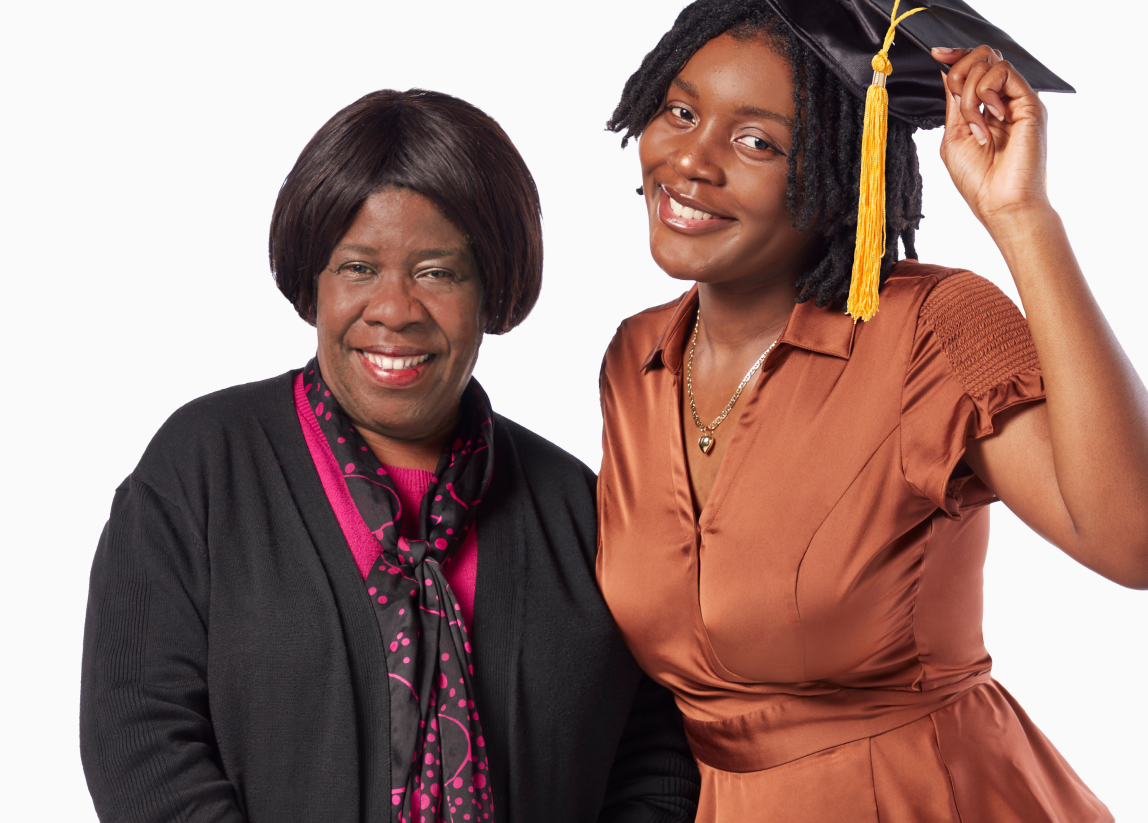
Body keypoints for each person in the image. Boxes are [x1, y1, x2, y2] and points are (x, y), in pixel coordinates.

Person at [594, 0, 1148, 822]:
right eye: (680, 111)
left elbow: (1142, 548)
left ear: (843, 173)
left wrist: (1020, 220)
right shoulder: (637, 358)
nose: (692, 161)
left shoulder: (928, 332)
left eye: (758, 141)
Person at [80, 89, 700, 823]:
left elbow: (656, 752)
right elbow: (142, 738)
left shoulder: (578, 509)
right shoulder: (202, 468)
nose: (395, 309)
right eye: (358, 268)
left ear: (492, 288)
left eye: (437, 272)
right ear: (313, 281)